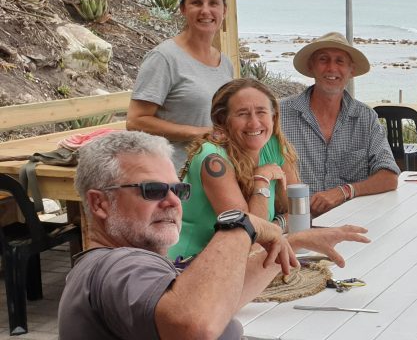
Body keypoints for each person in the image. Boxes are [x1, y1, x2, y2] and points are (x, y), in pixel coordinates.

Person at [59, 131, 369, 339]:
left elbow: (218, 300)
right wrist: (241, 224)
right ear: (100, 203)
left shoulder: (107, 268)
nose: (173, 201)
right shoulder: (119, 266)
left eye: (178, 189)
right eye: (152, 190)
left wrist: (292, 243)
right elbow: (193, 325)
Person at [169, 78, 368, 262]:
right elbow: (248, 238)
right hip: (192, 262)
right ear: (223, 120)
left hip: (245, 260)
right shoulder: (213, 159)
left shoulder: (273, 145)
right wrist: (262, 179)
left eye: (261, 112)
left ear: (274, 116)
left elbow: (299, 212)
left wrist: (273, 227)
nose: (254, 123)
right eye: (242, 114)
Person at [280, 32, 399, 215]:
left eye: (340, 61)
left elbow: (389, 177)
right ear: (311, 66)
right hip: (296, 222)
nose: (331, 68)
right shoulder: (279, 115)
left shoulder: (366, 118)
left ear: (351, 71)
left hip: (352, 220)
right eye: (323, 59)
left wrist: (345, 191)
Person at [127, 0, 233, 171]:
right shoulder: (164, 58)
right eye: (196, 3)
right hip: (175, 175)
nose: (205, 11)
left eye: (213, 3)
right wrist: (198, 133)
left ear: (224, 10)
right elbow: (135, 121)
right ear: (183, 9)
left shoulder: (225, 63)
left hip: (218, 172)